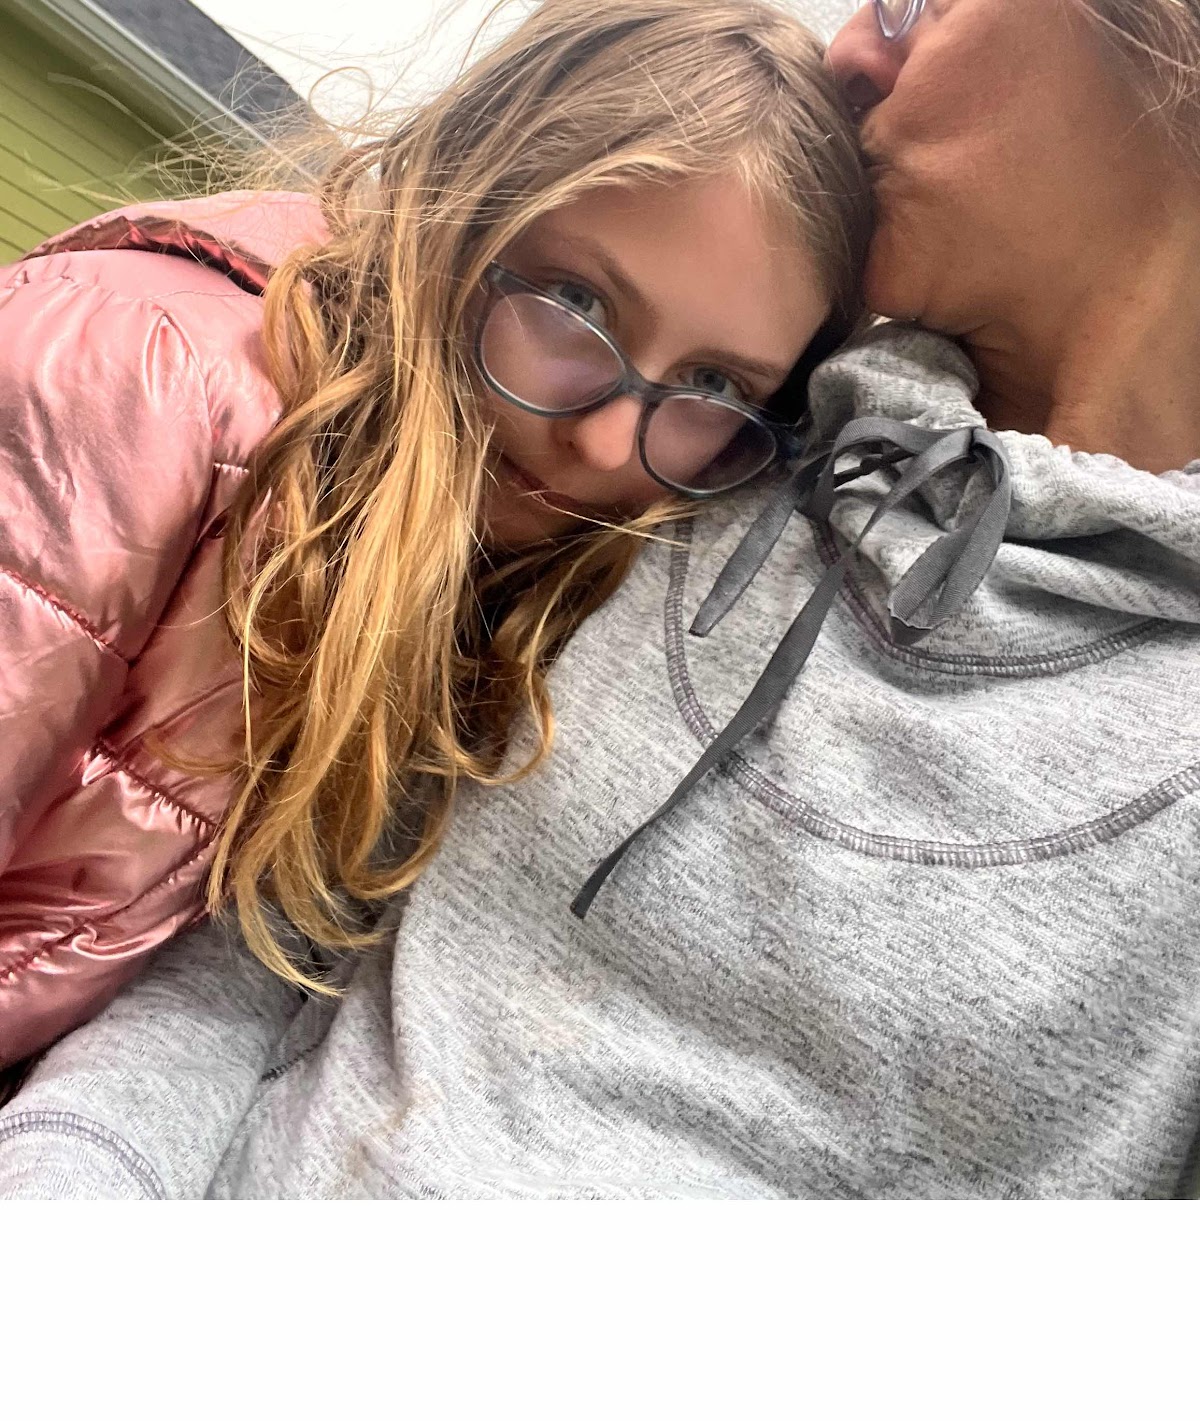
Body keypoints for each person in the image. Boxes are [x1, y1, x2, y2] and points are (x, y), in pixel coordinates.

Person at [4, 0, 1200, 1201]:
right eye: (578, 307)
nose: (852, 49)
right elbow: (268, 948)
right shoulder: (164, 388)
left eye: (919, 0)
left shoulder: (656, 481)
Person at [0, 0, 867, 1072]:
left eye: (714, 384)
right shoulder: (133, 384)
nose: (604, 442)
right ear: (456, 195)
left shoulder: (509, 573)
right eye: (575, 300)